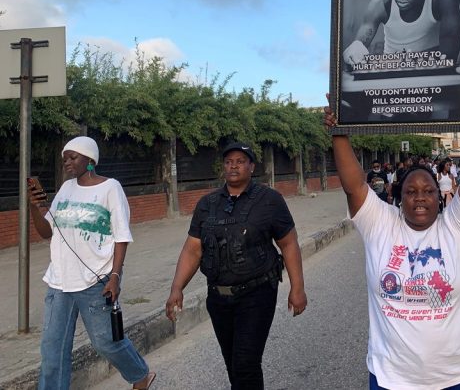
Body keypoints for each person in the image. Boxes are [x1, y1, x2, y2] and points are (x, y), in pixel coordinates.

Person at [323, 93, 460, 390]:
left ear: (439, 197)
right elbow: (354, 187)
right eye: (411, 191)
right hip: (391, 377)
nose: (420, 198)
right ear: (398, 198)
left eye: (428, 191)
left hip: (457, 376)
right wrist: (339, 132)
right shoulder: (382, 224)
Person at [165, 142, 307, 390]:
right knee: (233, 364)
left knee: (245, 363)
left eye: (240, 161)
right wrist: (177, 288)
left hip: (256, 293)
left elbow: (289, 244)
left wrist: (298, 288)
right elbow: (193, 249)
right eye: (229, 161)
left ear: (252, 166)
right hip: (218, 298)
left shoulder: (270, 200)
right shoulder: (207, 204)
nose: (234, 166)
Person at [27, 136, 156, 390]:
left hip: (96, 281)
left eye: (73, 157)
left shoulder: (110, 188)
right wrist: (34, 207)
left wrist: (115, 276)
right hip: (59, 282)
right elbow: (46, 232)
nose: (67, 163)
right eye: (65, 158)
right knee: (52, 350)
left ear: (90, 160)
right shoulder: (65, 189)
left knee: (105, 342)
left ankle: (140, 375)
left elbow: (121, 236)